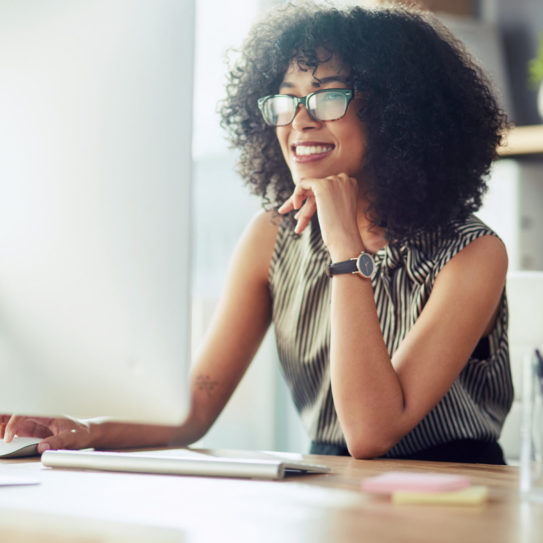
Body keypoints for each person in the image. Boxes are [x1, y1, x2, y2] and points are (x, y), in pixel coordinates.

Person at [1, 2, 513, 463]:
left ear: (401, 114)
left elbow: (372, 434)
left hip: (456, 493)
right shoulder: (271, 236)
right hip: (334, 489)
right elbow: (194, 408)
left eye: (327, 97)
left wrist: (343, 247)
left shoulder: (472, 252)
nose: (300, 122)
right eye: (286, 101)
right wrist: (82, 429)